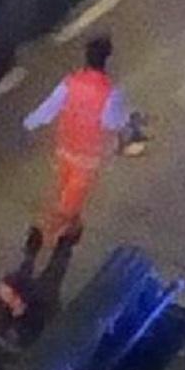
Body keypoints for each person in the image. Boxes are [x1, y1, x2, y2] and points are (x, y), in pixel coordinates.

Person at [23, 35, 129, 256]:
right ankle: (51, 240)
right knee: (70, 200)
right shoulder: (109, 92)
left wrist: (30, 122)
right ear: (106, 60)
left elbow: (49, 108)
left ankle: (61, 228)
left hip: (64, 148)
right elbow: (114, 122)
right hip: (87, 158)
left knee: (60, 188)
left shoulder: (70, 82)